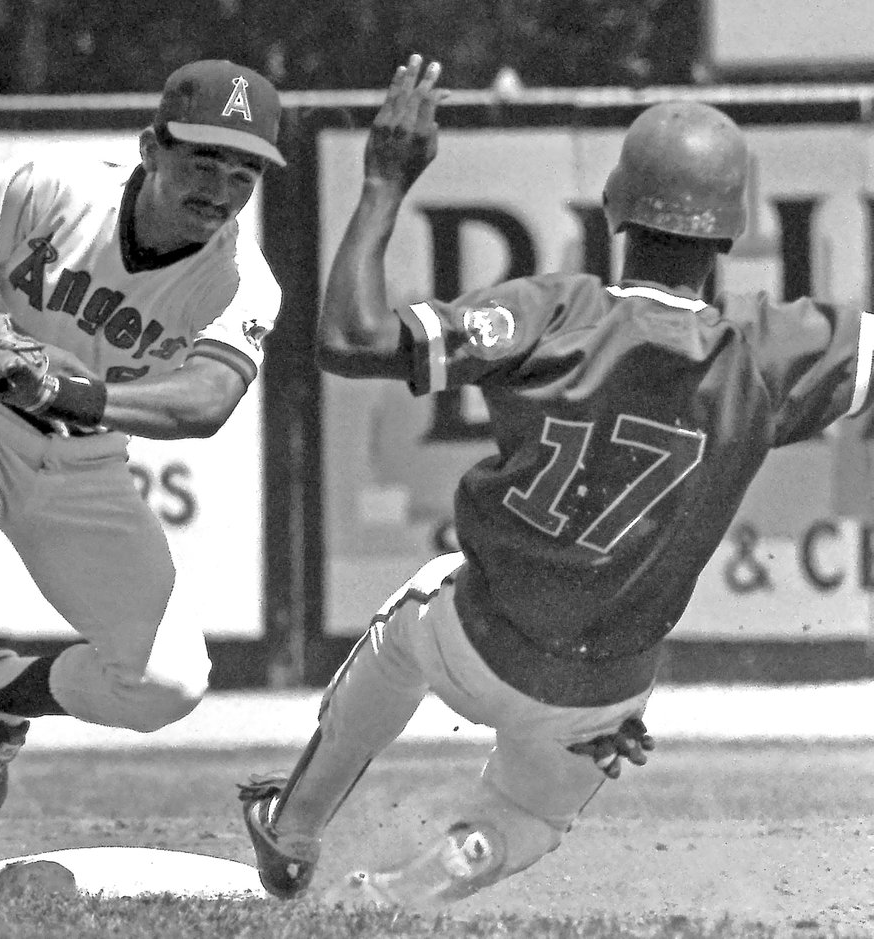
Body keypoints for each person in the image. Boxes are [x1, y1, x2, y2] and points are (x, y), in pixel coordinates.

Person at [239, 54, 874, 909]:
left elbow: (349, 339)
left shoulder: (557, 312)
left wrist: (385, 182)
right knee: (530, 816)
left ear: (615, 207)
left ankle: (293, 829)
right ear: (730, 233)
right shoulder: (766, 351)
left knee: (407, 622)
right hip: (601, 692)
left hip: (479, 637)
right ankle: (405, 890)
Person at [0, 58, 286, 889]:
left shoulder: (238, 279)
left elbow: (205, 402)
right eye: (203, 161)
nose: (220, 189)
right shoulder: (53, 185)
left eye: (243, 172)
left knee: (167, 684)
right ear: (151, 147)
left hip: (85, 458)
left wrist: (62, 386)